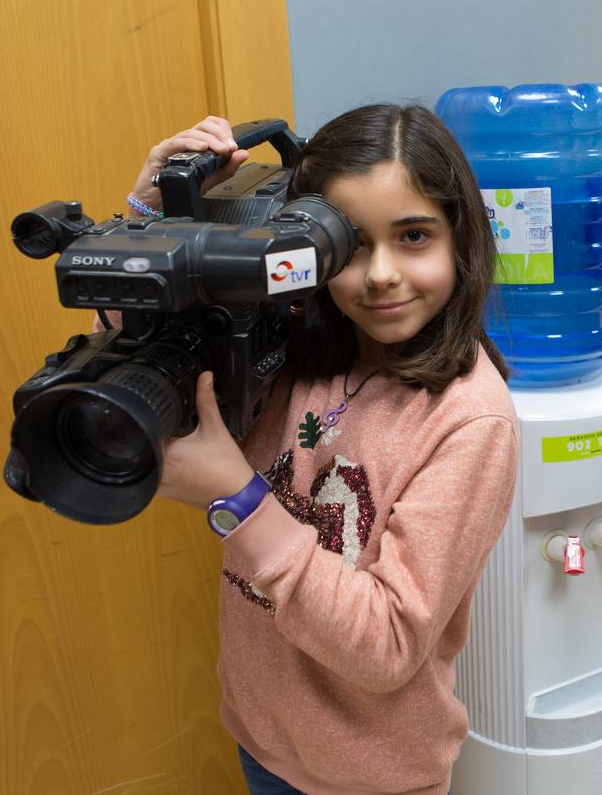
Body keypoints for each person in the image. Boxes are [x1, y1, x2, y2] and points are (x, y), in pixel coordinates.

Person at [126, 107, 519, 794]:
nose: (382, 275)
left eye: (415, 236)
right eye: (352, 246)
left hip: (372, 775)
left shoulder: (469, 420)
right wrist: (147, 215)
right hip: (263, 737)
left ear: (461, 239)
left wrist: (240, 499)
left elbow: (391, 644)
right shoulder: (293, 349)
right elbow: (141, 355)